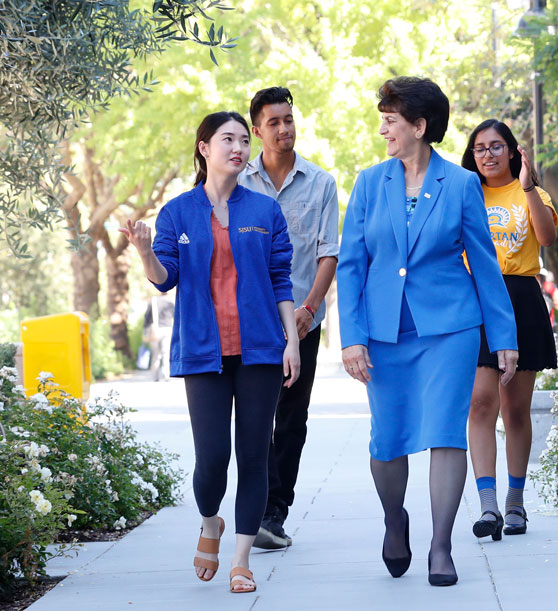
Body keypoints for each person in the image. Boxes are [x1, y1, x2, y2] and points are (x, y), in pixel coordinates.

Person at [337, 77, 518, 587]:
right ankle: (396, 519)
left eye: (391, 120)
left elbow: (484, 265)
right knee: (387, 442)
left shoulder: (459, 185)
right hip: (384, 333)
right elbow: (352, 266)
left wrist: (504, 337)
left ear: (419, 126)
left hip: (450, 329)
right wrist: (352, 337)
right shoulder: (370, 183)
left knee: (444, 433)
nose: (383, 129)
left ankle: (442, 545)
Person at [120, 111, 300, 595]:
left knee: (254, 455)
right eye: (228, 139)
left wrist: (293, 341)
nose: (239, 148)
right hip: (203, 351)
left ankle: (241, 560)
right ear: (204, 147)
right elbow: (165, 278)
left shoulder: (265, 213)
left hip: (261, 348)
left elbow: (281, 280)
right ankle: (209, 522)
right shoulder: (178, 212)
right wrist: (143, 250)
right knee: (213, 457)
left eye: (245, 140)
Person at [238, 87, 339, 551]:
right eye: (274, 122)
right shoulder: (237, 180)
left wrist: (309, 309)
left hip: (302, 321)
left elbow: (328, 252)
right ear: (257, 130)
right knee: (256, 417)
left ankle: (275, 513)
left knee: (292, 420)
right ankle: (255, 508)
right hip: (251, 323)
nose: (284, 129)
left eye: (289, 120)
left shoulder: (320, 183)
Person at [460, 120, 558, 540]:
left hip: (520, 297)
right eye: (480, 148)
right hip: (476, 300)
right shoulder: (465, 192)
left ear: (513, 151)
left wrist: (529, 186)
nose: (488, 155)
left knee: (515, 409)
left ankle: (515, 504)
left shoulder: (530, 191)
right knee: (481, 405)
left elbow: (548, 237)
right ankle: (487, 508)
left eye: (496, 146)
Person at [143, 290, 175, 381]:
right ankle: (166, 375)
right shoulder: (170, 303)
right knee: (166, 353)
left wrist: (145, 330)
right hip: (167, 329)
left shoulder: (153, 302)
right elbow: (175, 316)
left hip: (155, 330)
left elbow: (147, 317)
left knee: (156, 354)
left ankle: (155, 376)